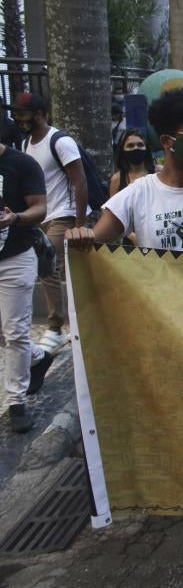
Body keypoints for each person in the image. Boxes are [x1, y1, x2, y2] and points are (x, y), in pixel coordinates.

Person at [65, 88, 183, 582]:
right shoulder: (137, 195)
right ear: (167, 141)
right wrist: (84, 238)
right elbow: (98, 244)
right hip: (162, 334)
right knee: (174, 421)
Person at [8, 92, 88, 355]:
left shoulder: (61, 141)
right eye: (16, 113)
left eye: (23, 113)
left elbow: (79, 181)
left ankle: (55, 327)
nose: (18, 118)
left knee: (46, 264)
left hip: (63, 213)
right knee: (59, 271)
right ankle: (75, 325)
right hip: (40, 216)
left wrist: (79, 222)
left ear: (40, 114)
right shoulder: (24, 144)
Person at [0, 143, 54, 433]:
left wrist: (15, 217)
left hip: (15, 257)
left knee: (15, 331)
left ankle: (15, 404)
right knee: (5, 332)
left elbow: (40, 209)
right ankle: (38, 357)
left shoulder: (20, 164)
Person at [110, 130, 155, 197]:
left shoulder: (158, 172)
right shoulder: (117, 179)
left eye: (140, 145)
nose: (136, 148)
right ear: (123, 150)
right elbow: (113, 206)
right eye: (130, 145)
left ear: (146, 148)